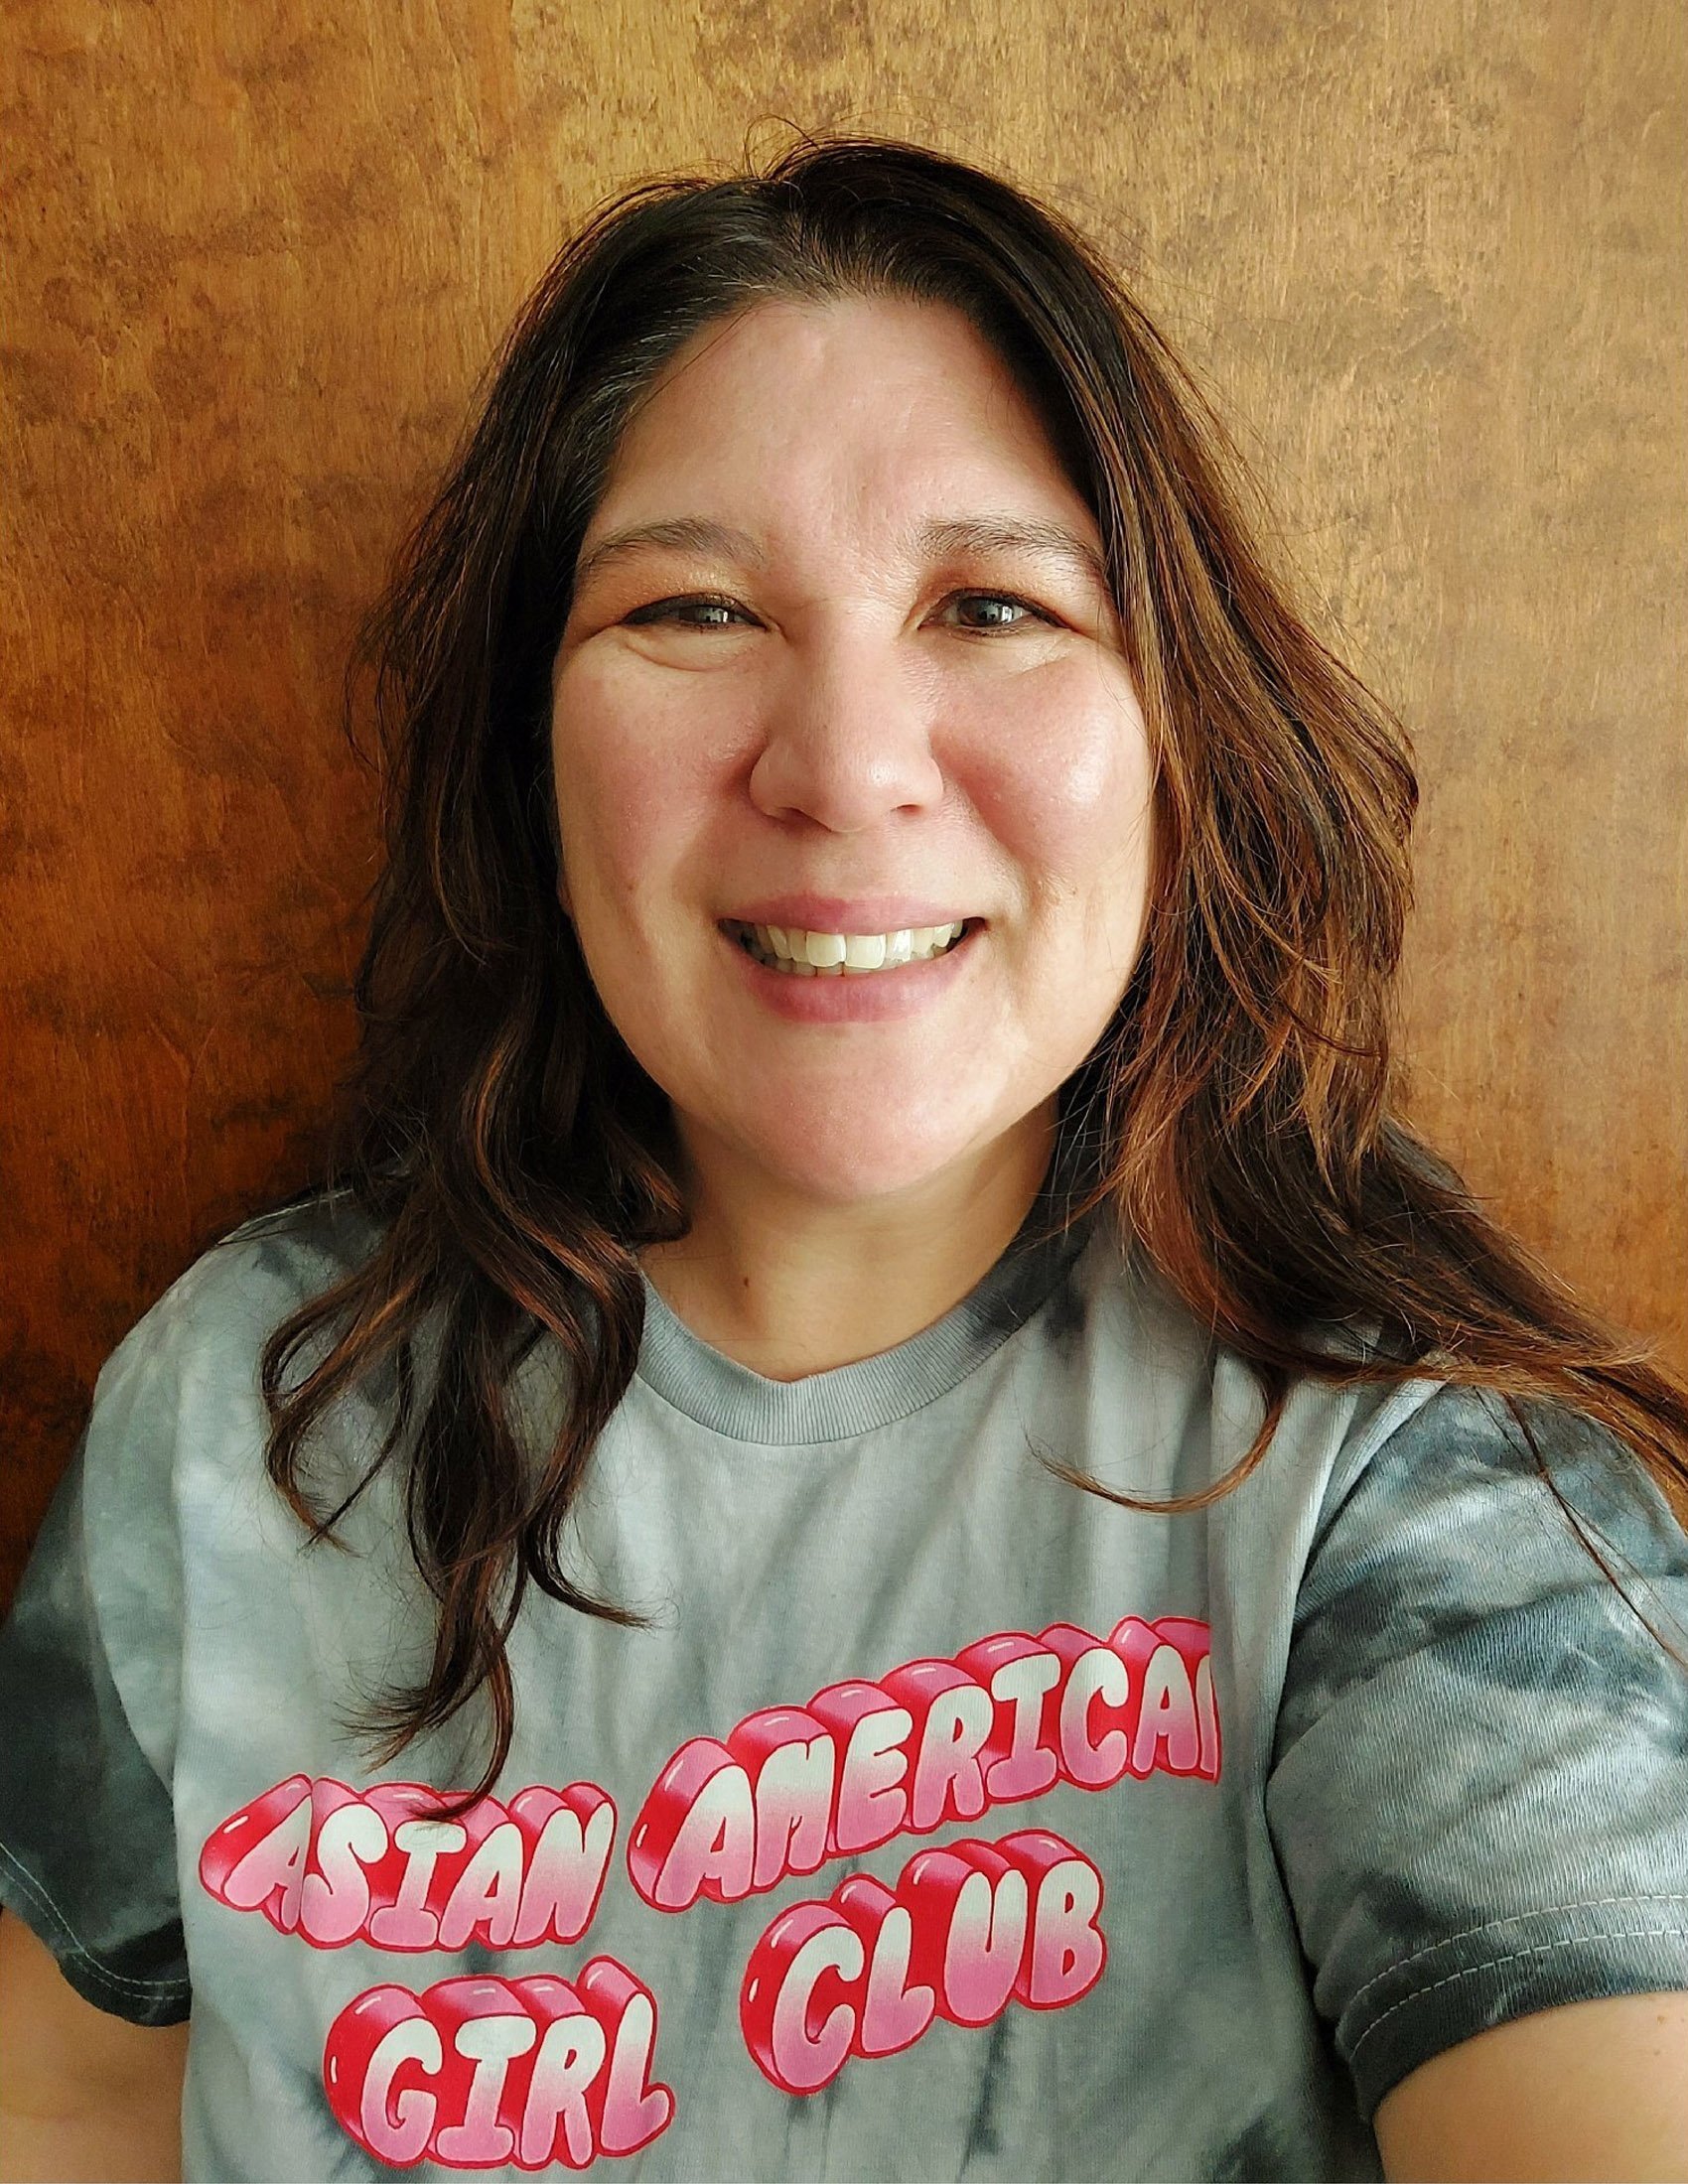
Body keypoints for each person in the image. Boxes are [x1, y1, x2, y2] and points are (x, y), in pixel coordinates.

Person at [1, 132, 1685, 2184]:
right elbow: (68, 2097)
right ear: (534, 749)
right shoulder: (246, 1405)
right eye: (696, 608)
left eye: (991, 605)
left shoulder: (1399, 1481)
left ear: (1177, 738)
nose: (847, 768)